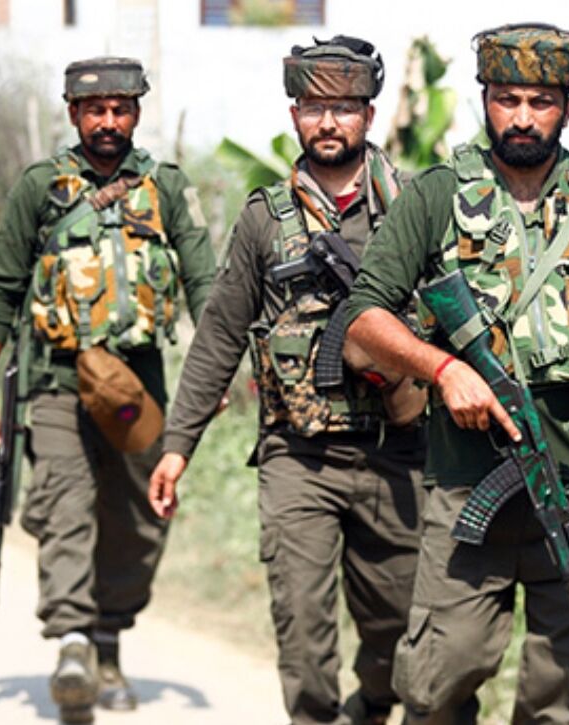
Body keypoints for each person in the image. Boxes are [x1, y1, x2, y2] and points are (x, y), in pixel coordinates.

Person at [344, 22, 569, 724]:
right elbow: (362, 318)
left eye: (541, 101)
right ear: (484, 99)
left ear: (567, 107)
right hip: (466, 474)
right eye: (507, 99)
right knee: (443, 670)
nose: (523, 117)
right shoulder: (436, 197)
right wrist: (444, 369)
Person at [147, 36, 424, 725]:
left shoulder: (414, 207)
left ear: (369, 114)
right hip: (297, 455)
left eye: (344, 107)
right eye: (312, 107)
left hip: (398, 454)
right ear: (294, 114)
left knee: (399, 634)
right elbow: (220, 334)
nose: (328, 122)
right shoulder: (264, 219)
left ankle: (373, 703)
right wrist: (177, 446)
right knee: (302, 628)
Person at [0, 56, 216, 723]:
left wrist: (217, 371)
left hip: (138, 383)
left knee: (139, 516)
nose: (109, 121)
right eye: (96, 110)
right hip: (56, 379)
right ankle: (73, 645)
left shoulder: (165, 186)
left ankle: (108, 639)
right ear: (73, 113)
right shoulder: (40, 187)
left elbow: (205, 284)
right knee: (66, 504)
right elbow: (3, 289)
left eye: (120, 109)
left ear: (136, 113)